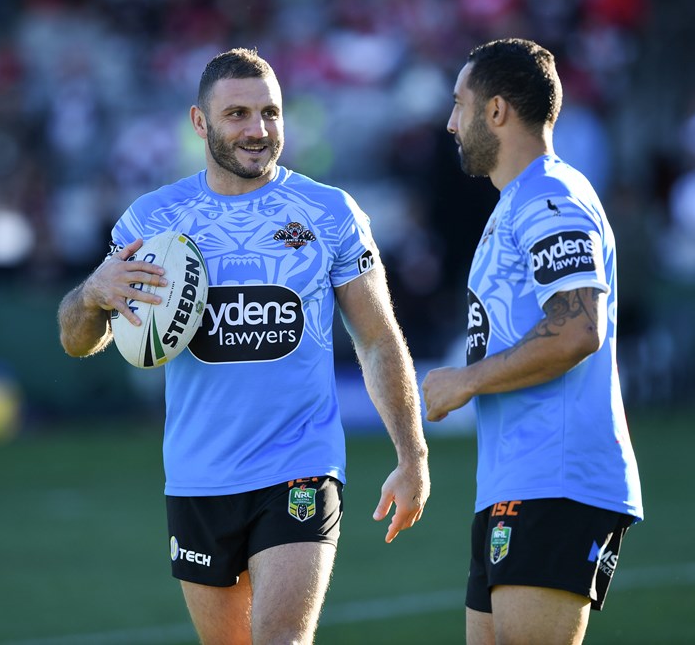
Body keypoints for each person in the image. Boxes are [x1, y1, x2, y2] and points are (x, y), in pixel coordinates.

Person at [58, 47, 430, 645]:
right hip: (198, 476)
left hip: (300, 465)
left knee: (282, 638)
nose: (258, 129)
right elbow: (78, 341)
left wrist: (413, 455)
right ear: (199, 122)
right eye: (237, 114)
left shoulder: (329, 213)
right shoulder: (151, 221)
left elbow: (379, 338)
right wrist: (92, 294)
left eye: (270, 113)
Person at [421, 38, 643, 645]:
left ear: (496, 110)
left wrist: (466, 381)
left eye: (460, 104)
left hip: (557, 477)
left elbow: (578, 328)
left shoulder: (550, 197)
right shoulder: (515, 203)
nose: (451, 122)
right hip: (515, 479)